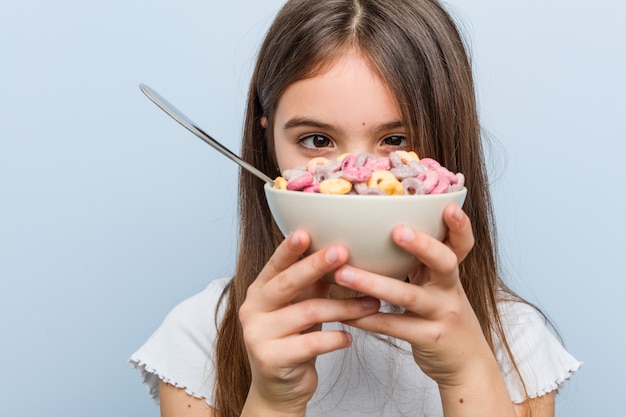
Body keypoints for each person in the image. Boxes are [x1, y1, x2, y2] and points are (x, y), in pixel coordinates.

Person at [130, 1, 581, 416]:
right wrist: (272, 400)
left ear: (449, 143)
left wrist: (468, 374)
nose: (357, 179)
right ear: (267, 142)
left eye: (397, 141)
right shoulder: (202, 335)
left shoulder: (512, 339)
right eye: (317, 141)